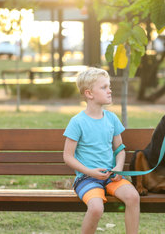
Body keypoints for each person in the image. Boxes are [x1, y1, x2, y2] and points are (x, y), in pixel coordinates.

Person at [63, 67, 140, 234]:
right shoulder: (77, 122)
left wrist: (119, 168)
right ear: (89, 94)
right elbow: (68, 157)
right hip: (86, 179)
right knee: (96, 208)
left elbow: (120, 149)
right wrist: (90, 172)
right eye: (104, 87)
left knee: (133, 197)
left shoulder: (112, 118)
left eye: (109, 86)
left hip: (111, 177)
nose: (109, 90)